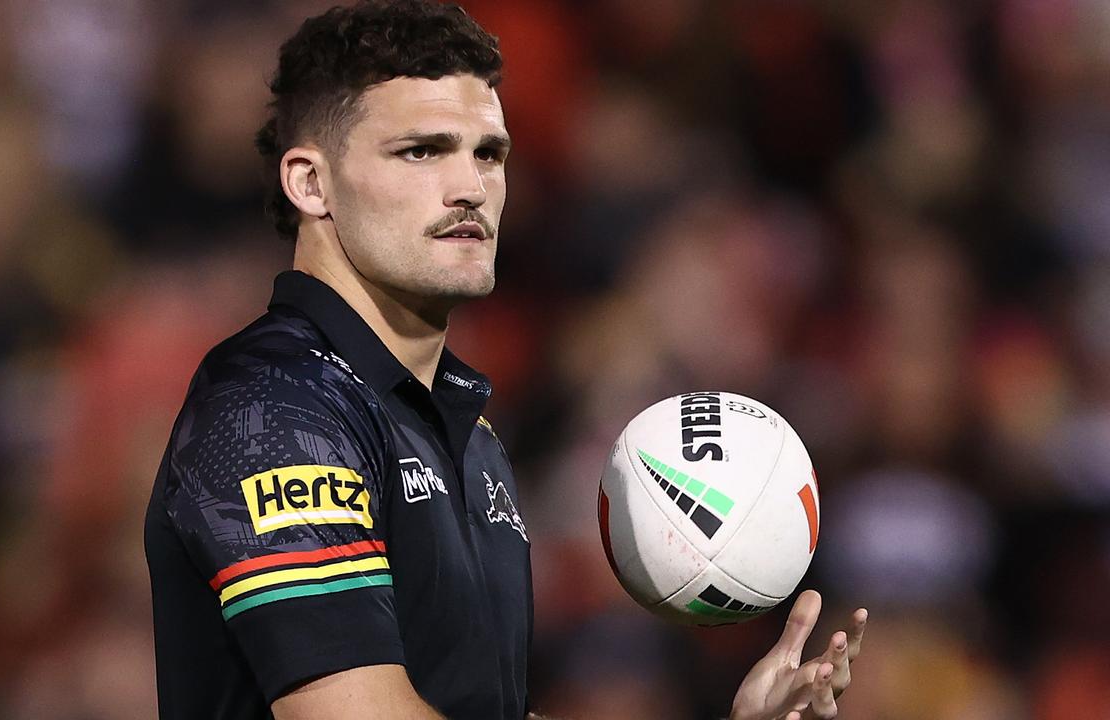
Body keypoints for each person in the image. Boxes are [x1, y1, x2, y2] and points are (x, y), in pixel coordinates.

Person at [143, 2, 867, 719]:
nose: (472, 187)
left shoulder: (469, 435)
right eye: (421, 151)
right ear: (310, 183)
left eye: (489, 153)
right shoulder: (274, 408)